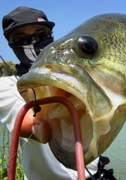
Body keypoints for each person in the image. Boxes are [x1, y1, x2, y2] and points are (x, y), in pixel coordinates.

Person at [0, 6, 100, 180]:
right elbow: (38, 128)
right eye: (21, 40)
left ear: (52, 37)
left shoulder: (85, 74)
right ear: (10, 45)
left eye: (42, 36)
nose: (33, 43)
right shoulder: (4, 86)